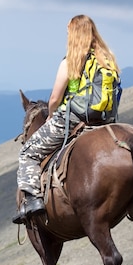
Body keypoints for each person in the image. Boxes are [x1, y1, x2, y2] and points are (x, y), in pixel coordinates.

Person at [12, 14, 120, 224]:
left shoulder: (71, 61)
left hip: (74, 117)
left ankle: (33, 200)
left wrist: (52, 115)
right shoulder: (107, 58)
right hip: (104, 120)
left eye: (68, 32)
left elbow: (54, 98)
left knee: (27, 152)